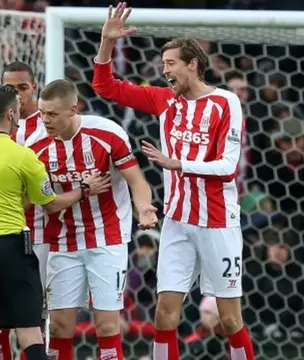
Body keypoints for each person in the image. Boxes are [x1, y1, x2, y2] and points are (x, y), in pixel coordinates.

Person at [92, 3, 254, 360]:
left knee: (229, 319)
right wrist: (106, 41)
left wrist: (178, 163)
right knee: (165, 313)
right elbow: (105, 85)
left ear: (192, 64)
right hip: (177, 222)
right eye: (163, 64)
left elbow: (227, 167)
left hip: (217, 221)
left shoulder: (225, 102)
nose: (164, 71)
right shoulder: (165, 101)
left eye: (171, 64)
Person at [0, 84, 104, 360]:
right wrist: (84, 190)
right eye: (17, 108)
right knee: (29, 332)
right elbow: (50, 203)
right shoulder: (24, 156)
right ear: (9, 114)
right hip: (11, 249)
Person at [25, 79, 157, 360]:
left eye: (52, 114)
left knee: (107, 324)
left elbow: (136, 181)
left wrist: (144, 207)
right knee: (59, 326)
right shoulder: (34, 147)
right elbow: (42, 203)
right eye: (41, 113)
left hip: (107, 236)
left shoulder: (107, 134)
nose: (45, 120)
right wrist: (82, 191)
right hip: (62, 239)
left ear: (73, 109)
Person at [0, 61, 46, 360]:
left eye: (23, 88)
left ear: (35, 88)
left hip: (43, 232)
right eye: (10, 89)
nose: (17, 96)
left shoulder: (49, 120)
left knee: (37, 319)